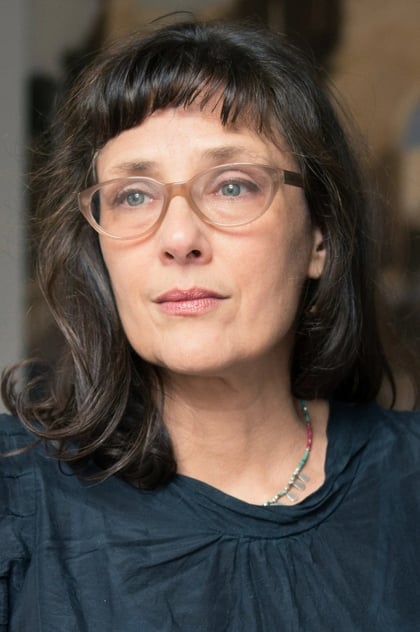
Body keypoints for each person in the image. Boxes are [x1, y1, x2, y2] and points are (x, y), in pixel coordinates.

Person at [1, 19, 419, 631]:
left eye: (231, 186)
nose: (178, 238)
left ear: (319, 238)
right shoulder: (15, 499)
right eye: (133, 195)